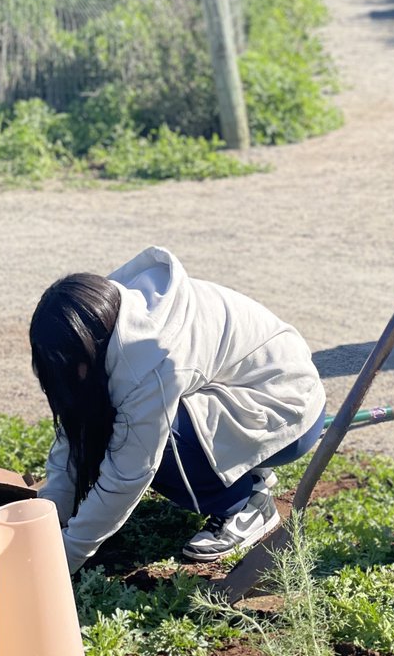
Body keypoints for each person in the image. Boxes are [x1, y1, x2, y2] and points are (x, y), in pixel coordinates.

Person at [31, 246, 326, 574]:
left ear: (85, 349)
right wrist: (49, 511)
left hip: (287, 408)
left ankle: (244, 504)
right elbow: (76, 421)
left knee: (159, 439)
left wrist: (64, 557)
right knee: (111, 416)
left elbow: (129, 473)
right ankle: (236, 468)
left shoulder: (152, 360)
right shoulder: (102, 317)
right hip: (239, 391)